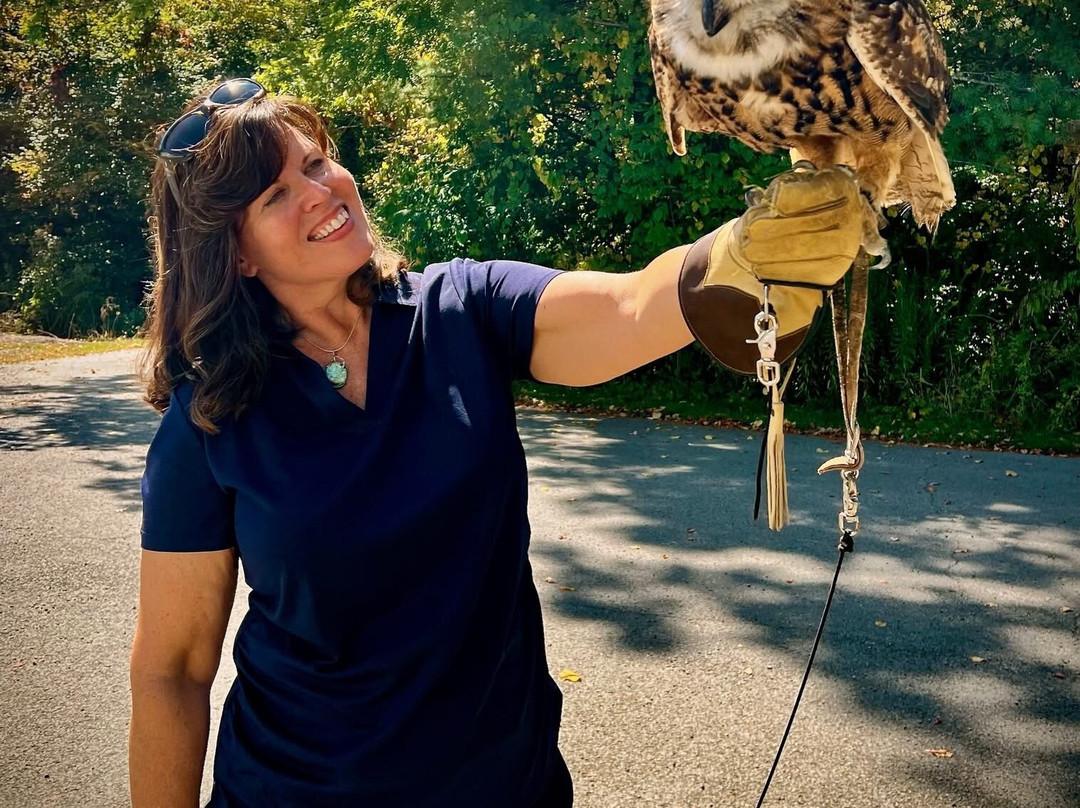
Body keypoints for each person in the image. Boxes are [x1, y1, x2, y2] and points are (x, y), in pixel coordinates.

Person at [129, 78, 866, 808]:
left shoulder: (461, 309)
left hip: (507, 787)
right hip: (294, 793)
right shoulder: (211, 418)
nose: (320, 192)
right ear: (238, 255)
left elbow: (628, 305)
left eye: (314, 164)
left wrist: (735, 256)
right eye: (276, 196)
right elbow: (175, 670)